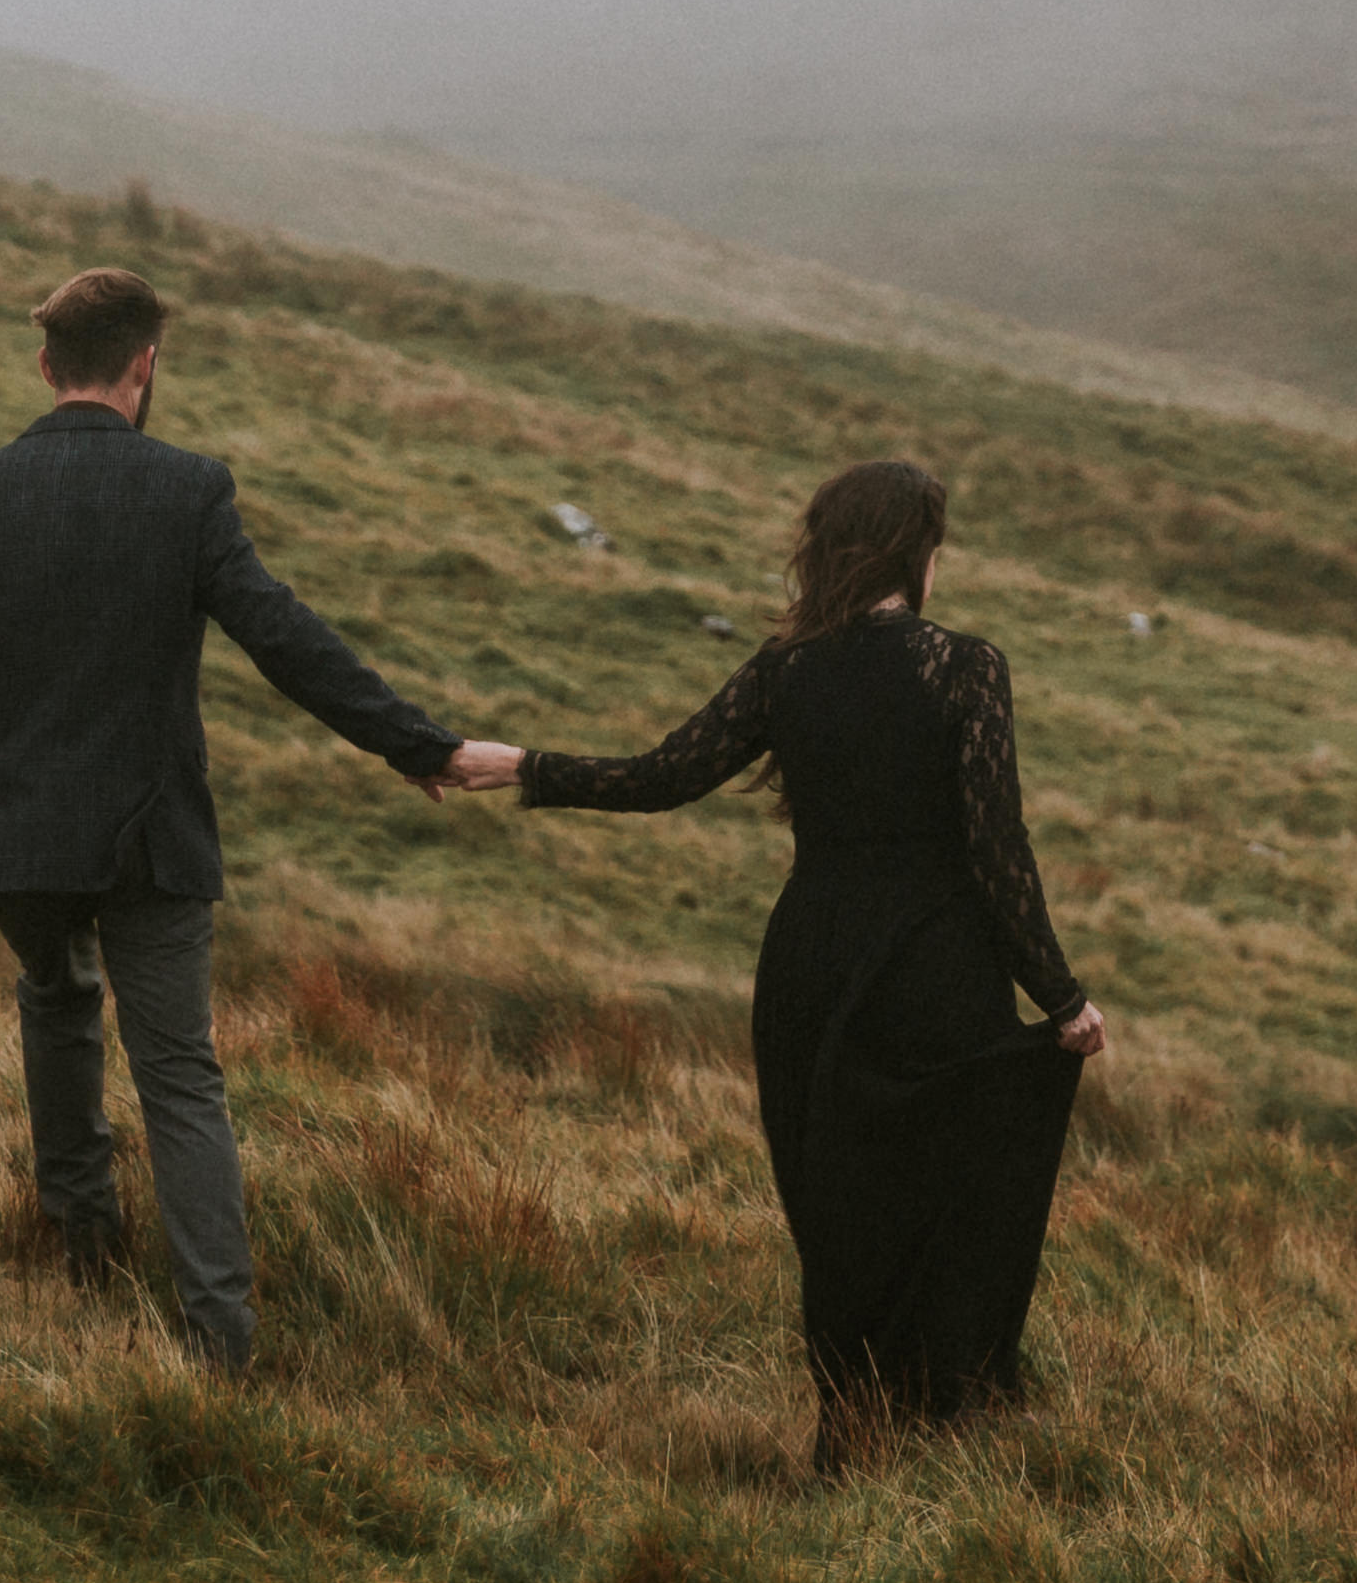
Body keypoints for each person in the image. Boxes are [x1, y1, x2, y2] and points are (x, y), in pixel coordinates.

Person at [443, 459, 1106, 1467]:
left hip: (811, 965)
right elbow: (995, 846)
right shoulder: (964, 669)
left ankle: (852, 1426)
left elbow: (662, 776)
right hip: (935, 967)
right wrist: (1060, 998)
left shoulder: (786, 668)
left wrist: (525, 766)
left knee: (836, 1202)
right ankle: (946, 1415)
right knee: (947, 1190)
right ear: (916, 553)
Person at [0, 265, 461, 1372]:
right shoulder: (187, 489)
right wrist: (415, 744)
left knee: (55, 999)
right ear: (145, 366)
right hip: (150, 839)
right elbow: (284, 638)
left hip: (15, 840)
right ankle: (218, 1340)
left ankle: (81, 1243)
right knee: (178, 1075)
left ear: (46, 365)